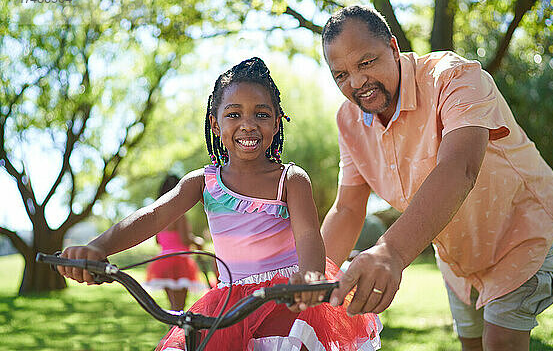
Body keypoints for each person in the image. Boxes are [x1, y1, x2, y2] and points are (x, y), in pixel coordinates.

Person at [58, 57, 382, 351]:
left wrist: (311, 277)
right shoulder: (202, 181)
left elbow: (310, 237)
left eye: (262, 114)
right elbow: (153, 216)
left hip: (285, 301)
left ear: (277, 123)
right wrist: (98, 247)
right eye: (234, 114)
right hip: (226, 303)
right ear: (215, 124)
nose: (248, 124)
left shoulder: (291, 179)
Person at [320, 5, 553, 351]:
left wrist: (390, 251)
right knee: (472, 344)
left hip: (520, 228)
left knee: (501, 341)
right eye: (341, 75)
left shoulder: (455, 77)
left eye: (366, 63)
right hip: (458, 252)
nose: (357, 82)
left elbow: (460, 168)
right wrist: (312, 274)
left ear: (393, 48)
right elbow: (347, 208)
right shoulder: (348, 121)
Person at [145, 174, 207, 311]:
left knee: (172, 307)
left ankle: (172, 331)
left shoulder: (158, 214)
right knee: (179, 308)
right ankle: (177, 332)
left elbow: (158, 241)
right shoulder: (179, 214)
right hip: (179, 261)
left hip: (164, 260)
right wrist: (197, 241)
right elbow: (185, 238)